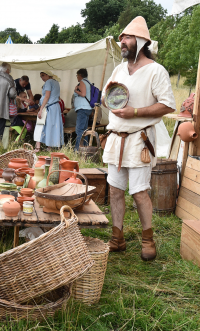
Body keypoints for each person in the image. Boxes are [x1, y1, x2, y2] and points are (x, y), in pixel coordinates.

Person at [103, 16, 176, 261]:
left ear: (141, 41)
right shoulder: (119, 69)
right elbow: (106, 98)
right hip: (116, 138)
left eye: (127, 38)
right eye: (121, 38)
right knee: (114, 190)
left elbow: (167, 106)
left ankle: (147, 239)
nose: (122, 42)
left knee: (139, 192)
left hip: (139, 140)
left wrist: (134, 112)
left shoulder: (156, 71)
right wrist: (108, 97)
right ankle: (117, 238)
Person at [34, 70, 63, 151]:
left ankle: (38, 147)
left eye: (43, 75)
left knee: (41, 125)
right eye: (41, 76)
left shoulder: (48, 82)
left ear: (48, 75)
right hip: (55, 106)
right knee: (52, 126)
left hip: (49, 106)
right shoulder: (56, 82)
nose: (42, 78)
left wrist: (41, 109)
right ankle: (51, 146)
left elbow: (47, 96)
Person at [73, 68, 93, 151]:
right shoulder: (88, 82)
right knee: (84, 130)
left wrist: (76, 91)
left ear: (80, 75)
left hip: (83, 108)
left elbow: (83, 94)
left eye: (77, 75)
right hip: (87, 108)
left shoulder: (82, 82)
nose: (77, 77)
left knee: (79, 130)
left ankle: (78, 149)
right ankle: (85, 148)